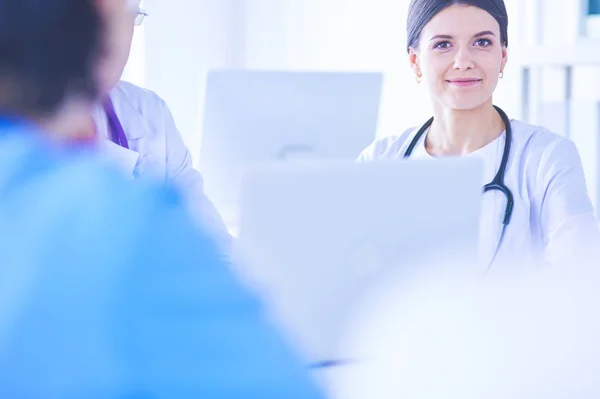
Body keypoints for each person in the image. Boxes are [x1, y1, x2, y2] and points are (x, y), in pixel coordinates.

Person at [0, 0, 324, 397]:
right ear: (98, 18)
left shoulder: (143, 116)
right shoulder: (122, 221)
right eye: (125, 14)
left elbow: (214, 246)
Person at [357, 0, 600, 270]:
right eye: (443, 44)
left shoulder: (547, 158)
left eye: (482, 42)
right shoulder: (378, 161)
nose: (463, 62)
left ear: (503, 57)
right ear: (415, 61)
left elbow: (579, 279)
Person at [94, 0, 232, 252]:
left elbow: (210, 243)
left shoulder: (149, 111)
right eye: (103, 14)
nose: (117, 34)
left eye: (129, 16)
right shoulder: (20, 128)